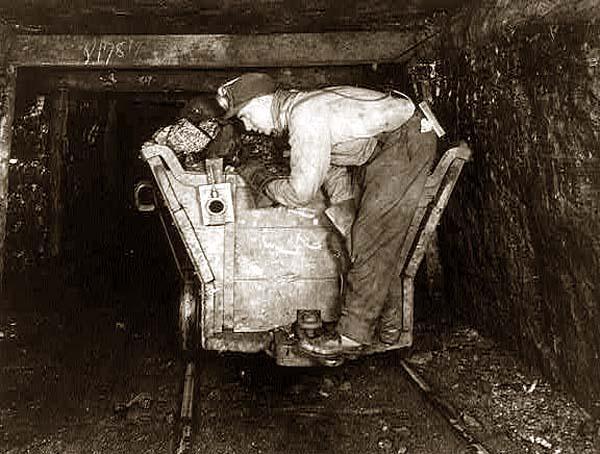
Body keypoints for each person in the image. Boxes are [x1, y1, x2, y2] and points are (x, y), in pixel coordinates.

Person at [216, 73, 437, 358]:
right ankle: (389, 329)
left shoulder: (304, 117)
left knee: (371, 237)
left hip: (405, 140)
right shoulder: (299, 108)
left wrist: (262, 180)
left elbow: (300, 194)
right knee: (358, 237)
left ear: (261, 101)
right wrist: (343, 211)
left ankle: (351, 337)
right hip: (384, 147)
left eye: (245, 116)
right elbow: (332, 162)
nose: (247, 126)